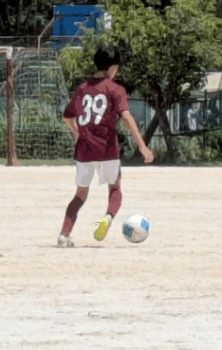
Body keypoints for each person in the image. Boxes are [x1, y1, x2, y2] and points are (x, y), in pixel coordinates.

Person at [57, 43, 154, 247]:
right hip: (107, 149)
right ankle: (108, 218)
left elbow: (67, 116)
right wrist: (142, 145)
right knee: (115, 189)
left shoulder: (83, 88)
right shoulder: (116, 89)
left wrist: (76, 132)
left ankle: (64, 235)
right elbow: (126, 117)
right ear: (112, 67)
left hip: (84, 149)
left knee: (80, 195)